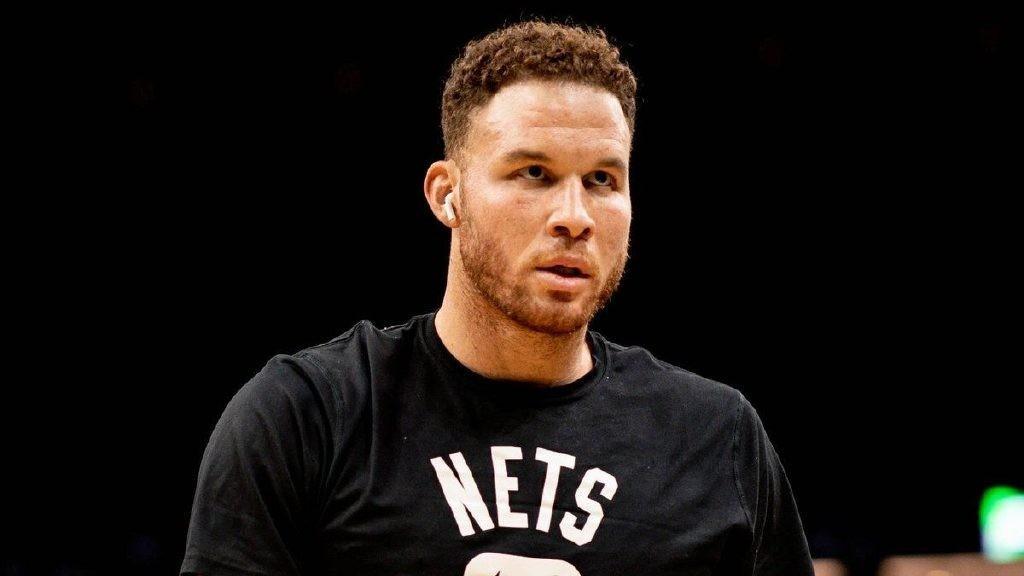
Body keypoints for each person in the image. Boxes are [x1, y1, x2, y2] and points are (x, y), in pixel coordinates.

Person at [181, 20, 814, 576]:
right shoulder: (308, 417)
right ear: (446, 193)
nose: (575, 217)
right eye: (533, 173)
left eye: (602, 179)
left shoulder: (715, 436)